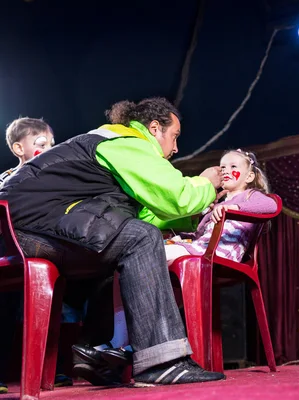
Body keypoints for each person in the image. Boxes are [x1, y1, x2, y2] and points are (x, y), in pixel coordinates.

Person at [0, 97, 226, 386]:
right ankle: (163, 362)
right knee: (140, 239)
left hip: (31, 225)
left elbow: (148, 217)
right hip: (27, 226)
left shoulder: (116, 147)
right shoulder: (127, 142)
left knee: (128, 242)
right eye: (174, 137)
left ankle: (93, 350)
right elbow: (177, 197)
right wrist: (206, 183)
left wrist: (197, 213)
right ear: (154, 128)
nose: (176, 148)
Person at [72, 149, 277, 369]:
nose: (226, 171)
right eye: (223, 167)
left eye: (234, 167)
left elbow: (272, 205)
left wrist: (233, 206)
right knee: (123, 266)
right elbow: (200, 237)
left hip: (219, 255)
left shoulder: (249, 197)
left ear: (249, 176)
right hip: (198, 249)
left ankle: (140, 346)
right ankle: (120, 341)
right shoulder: (215, 205)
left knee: (139, 256)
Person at [0, 118, 73, 393]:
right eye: (42, 144)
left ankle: (55, 369)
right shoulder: (6, 179)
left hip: (46, 251)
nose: (49, 149)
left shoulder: (58, 178)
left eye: (52, 145)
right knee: (6, 311)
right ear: (20, 148)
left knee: (61, 308)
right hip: (10, 252)